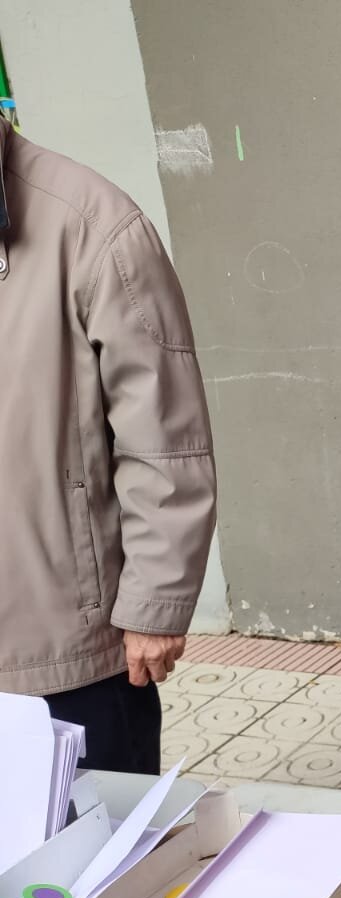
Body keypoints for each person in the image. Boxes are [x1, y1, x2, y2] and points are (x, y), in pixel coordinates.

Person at [0, 121, 216, 772]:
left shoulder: (95, 227)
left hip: (66, 652)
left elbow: (164, 434)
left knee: (100, 859)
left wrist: (156, 605)